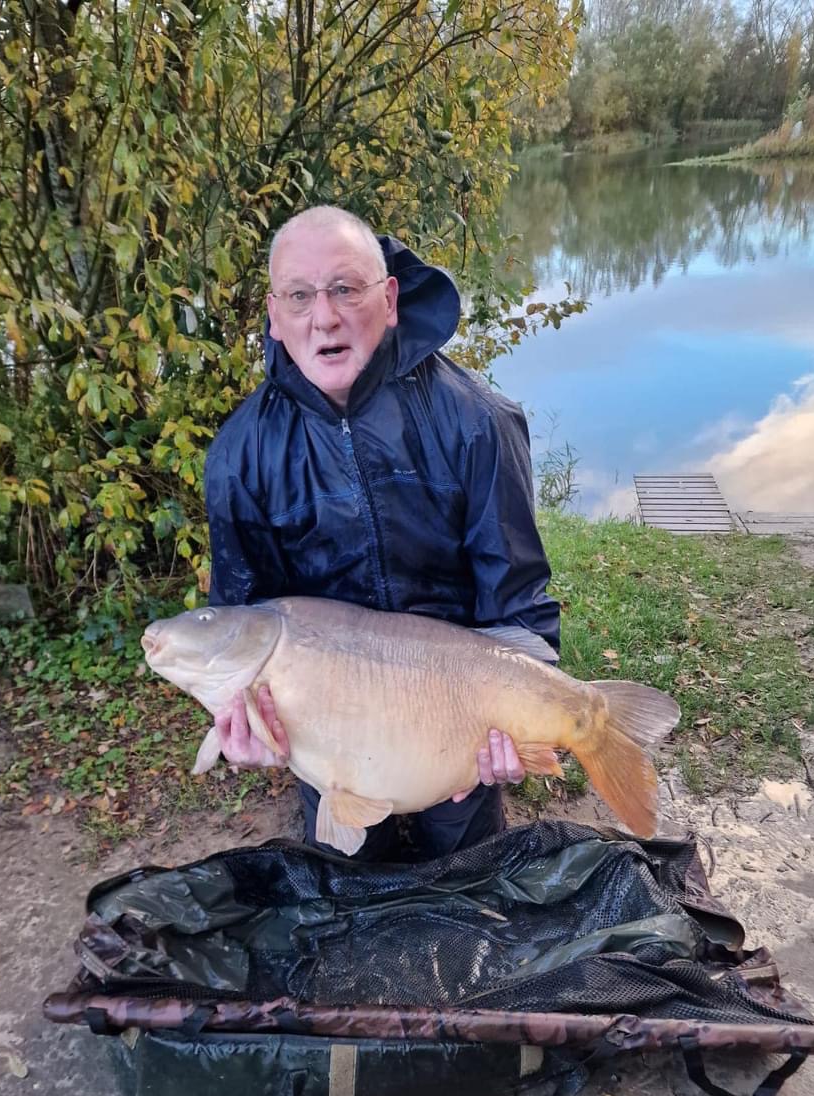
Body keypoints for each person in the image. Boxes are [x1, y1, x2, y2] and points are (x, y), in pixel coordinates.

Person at [203, 205, 559, 860]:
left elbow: (515, 600)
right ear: (274, 316)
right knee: (349, 870)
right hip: (330, 727)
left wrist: (523, 716)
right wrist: (243, 722)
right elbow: (241, 618)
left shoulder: (478, 422)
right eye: (299, 296)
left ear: (389, 299)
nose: (324, 317)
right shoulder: (240, 456)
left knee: (464, 868)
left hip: (454, 712)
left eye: (345, 288)